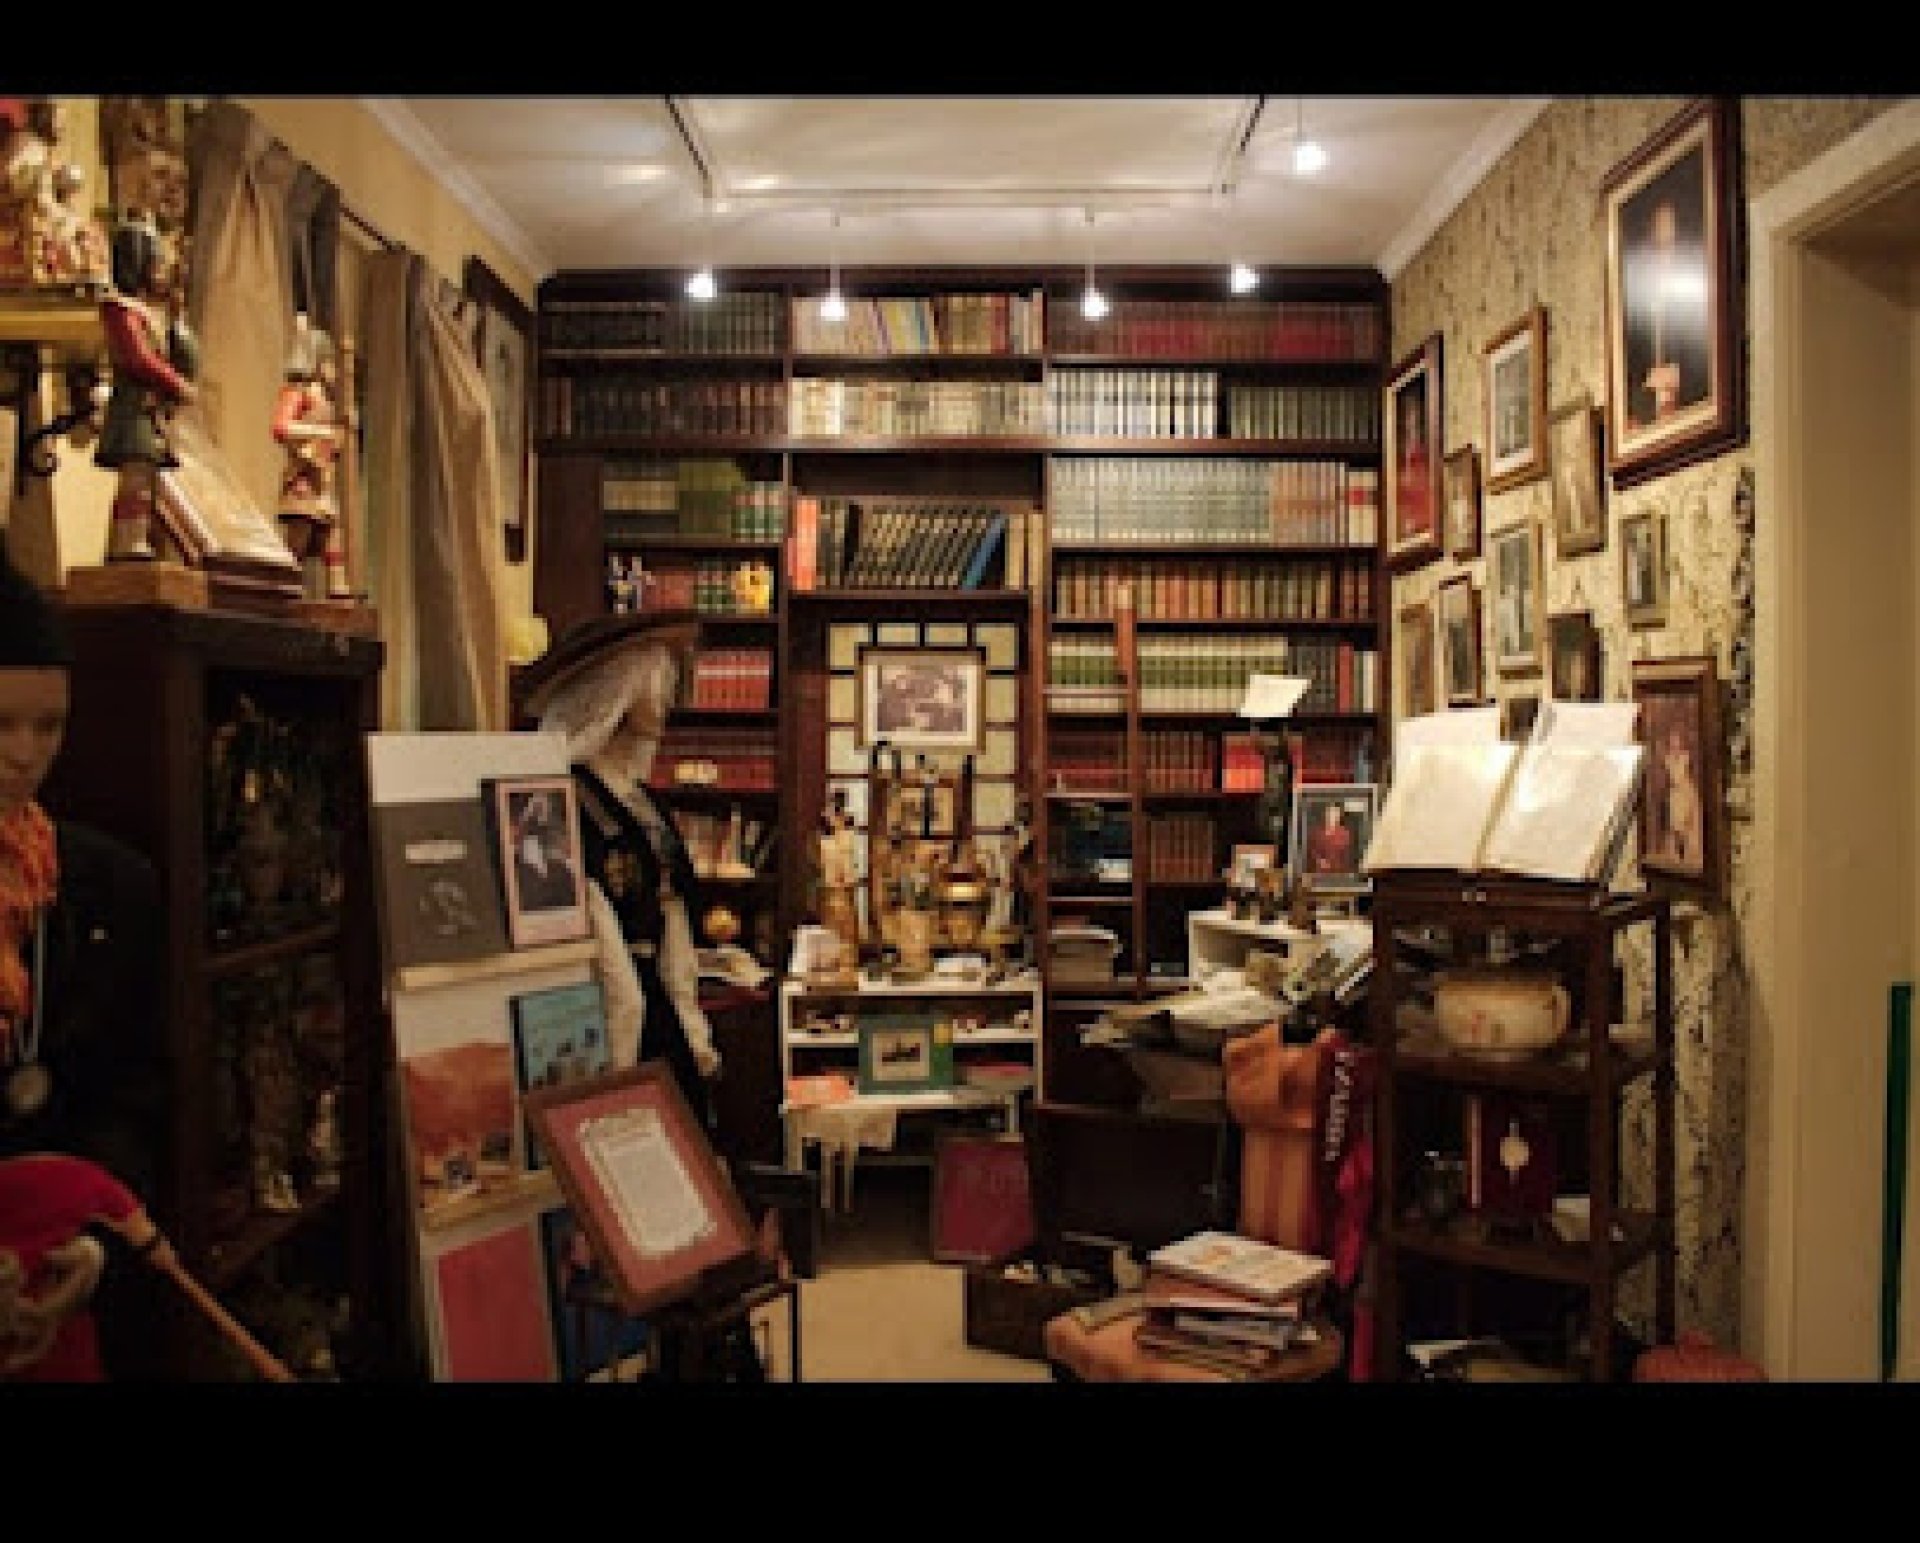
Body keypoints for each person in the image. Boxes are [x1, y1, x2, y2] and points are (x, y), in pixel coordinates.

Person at [520, 612, 773, 1383]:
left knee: (690, 1195)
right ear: (616, 692)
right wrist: (617, 1063)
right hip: (603, 1029)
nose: (665, 698)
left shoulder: (644, 804)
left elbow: (673, 926)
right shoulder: (560, 800)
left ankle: (701, 1355)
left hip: (659, 1018)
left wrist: (692, 1026)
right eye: (652, 681)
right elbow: (598, 949)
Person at [0, 535, 170, 1377]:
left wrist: (95, 1248)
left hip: (60, 1270)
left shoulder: (112, 885)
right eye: (0, 723)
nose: (25, 754)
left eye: (50, 725)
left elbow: (131, 1099)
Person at [94, 213, 197, 562]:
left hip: (151, 408)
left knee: (148, 478)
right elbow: (138, 358)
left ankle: (136, 538)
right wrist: (174, 383)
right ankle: (127, 541)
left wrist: (178, 323)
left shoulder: (150, 313)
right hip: (133, 405)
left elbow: (182, 356)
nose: (160, 273)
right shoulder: (120, 310)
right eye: (155, 264)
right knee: (135, 477)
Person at [272, 314, 352, 600]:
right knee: (301, 533)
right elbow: (281, 427)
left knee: (331, 536)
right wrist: (319, 432)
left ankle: (338, 588)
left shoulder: (324, 400)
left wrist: (337, 438)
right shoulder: (298, 393)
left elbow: (332, 443)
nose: (333, 371)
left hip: (321, 479)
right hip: (303, 477)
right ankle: (287, 581)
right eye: (329, 362)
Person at [1306, 800, 1355, 877]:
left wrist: (1332, 865)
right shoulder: (1316, 832)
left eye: (1336, 814)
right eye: (1330, 813)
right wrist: (1319, 861)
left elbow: (1346, 858)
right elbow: (1312, 852)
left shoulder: (1345, 834)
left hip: (1338, 873)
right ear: (1326, 814)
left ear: (1339, 816)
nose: (1332, 816)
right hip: (1318, 872)